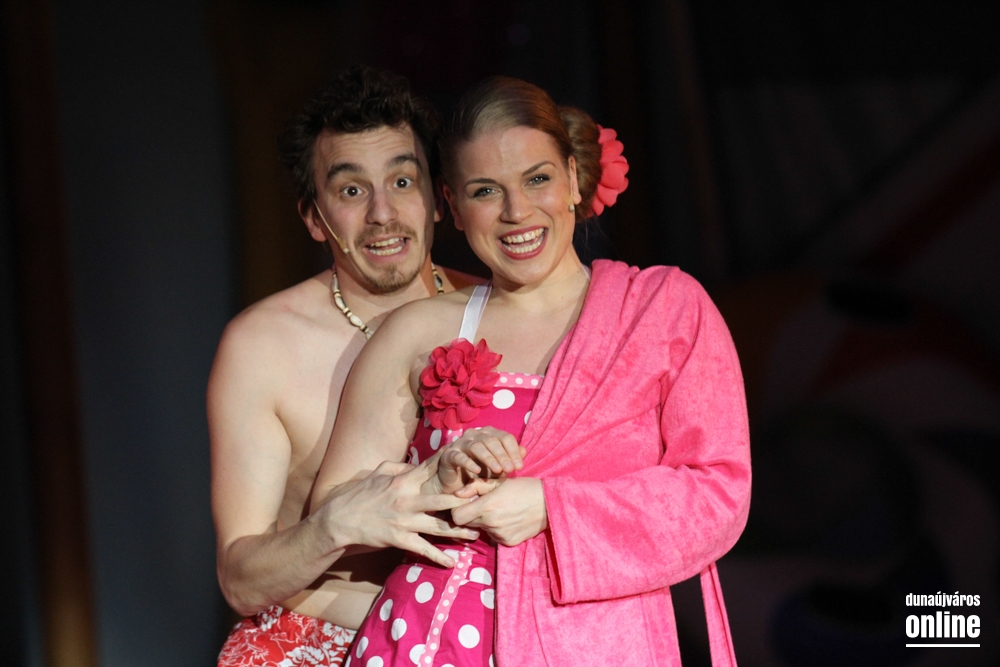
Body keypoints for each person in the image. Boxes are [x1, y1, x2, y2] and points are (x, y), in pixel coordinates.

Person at [311, 76, 751, 667]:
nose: (516, 211)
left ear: (574, 179)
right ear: (453, 206)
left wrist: (550, 507)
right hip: (429, 641)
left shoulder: (661, 309)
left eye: (537, 179)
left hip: (601, 648)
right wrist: (432, 483)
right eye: (485, 190)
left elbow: (718, 493)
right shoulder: (417, 330)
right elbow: (337, 514)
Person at [210, 65, 480, 667]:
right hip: (317, 644)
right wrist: (334, 524)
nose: (383, 213)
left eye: (402, 181)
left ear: (439, 199)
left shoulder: (497, 313)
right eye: (352, 191)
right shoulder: (263, 346)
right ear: (314, 217)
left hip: (478, 643)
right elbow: (240, 580)